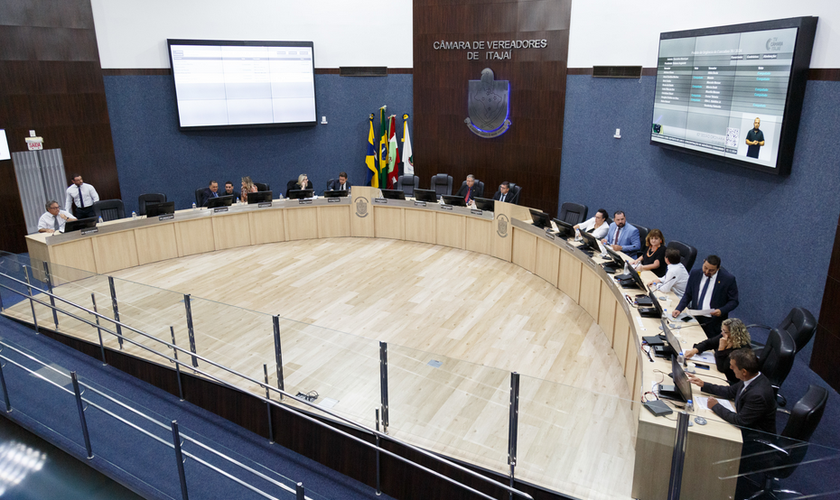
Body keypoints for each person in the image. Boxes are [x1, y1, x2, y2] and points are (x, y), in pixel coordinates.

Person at [672, 255, 739, 338]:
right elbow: (688, 294)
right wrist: (679, 308)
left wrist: (721, 310)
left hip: (713, 322)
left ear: (718, 268)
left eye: (711, 270)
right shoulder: (695, 274)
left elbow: (734, 301)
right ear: (703, 262)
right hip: (695, 317)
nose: (707, 272)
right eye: (705, 267)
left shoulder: (728, 279)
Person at [685, 318, 751, 384]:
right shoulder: (725, 336)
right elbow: (708, 343)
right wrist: (694, 351)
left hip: (729, 380)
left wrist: (721, 348)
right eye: (722, 330)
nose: (722, 333)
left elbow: (722, 368)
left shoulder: (742, 350)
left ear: (733, 334)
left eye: (725, 331)